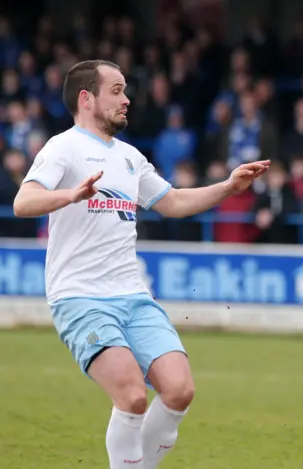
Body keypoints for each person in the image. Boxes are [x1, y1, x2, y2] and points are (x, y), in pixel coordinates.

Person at [13, 60, 270, 468]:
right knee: (132, 396)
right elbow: (23, 201)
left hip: (133, 295)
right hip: (80, 297)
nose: (127, 99)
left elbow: (172, 203)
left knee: (180, 390)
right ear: (86, 98)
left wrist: (227, 186)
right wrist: (69, 196)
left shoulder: (130, 157)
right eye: (116, 90)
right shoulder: (63, 147)